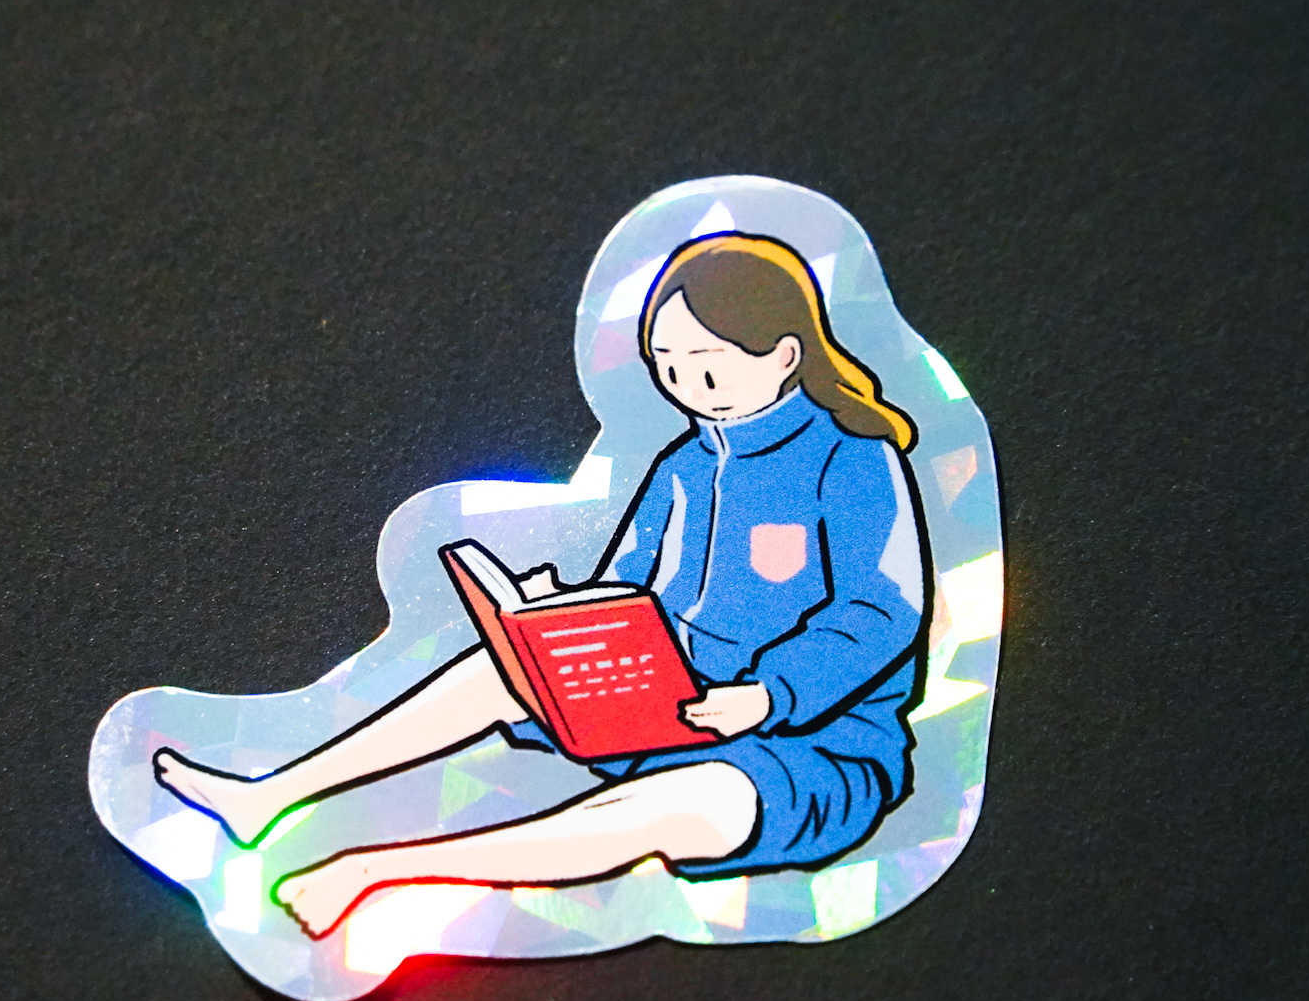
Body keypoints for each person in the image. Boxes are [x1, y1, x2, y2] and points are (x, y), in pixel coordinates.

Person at [155, 232, 932, 938]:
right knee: (503, 668)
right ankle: (270, 794)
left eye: (707, 364)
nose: (687, 387)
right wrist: (560, 611)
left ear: (785, 354)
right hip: (670, 705)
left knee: (691, 807)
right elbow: (629, 588)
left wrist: (768, 696)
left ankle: (376, 871)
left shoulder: (855, 458)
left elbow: (881, 611)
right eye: (667, 367)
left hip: (810, 747)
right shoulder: (683, 466)